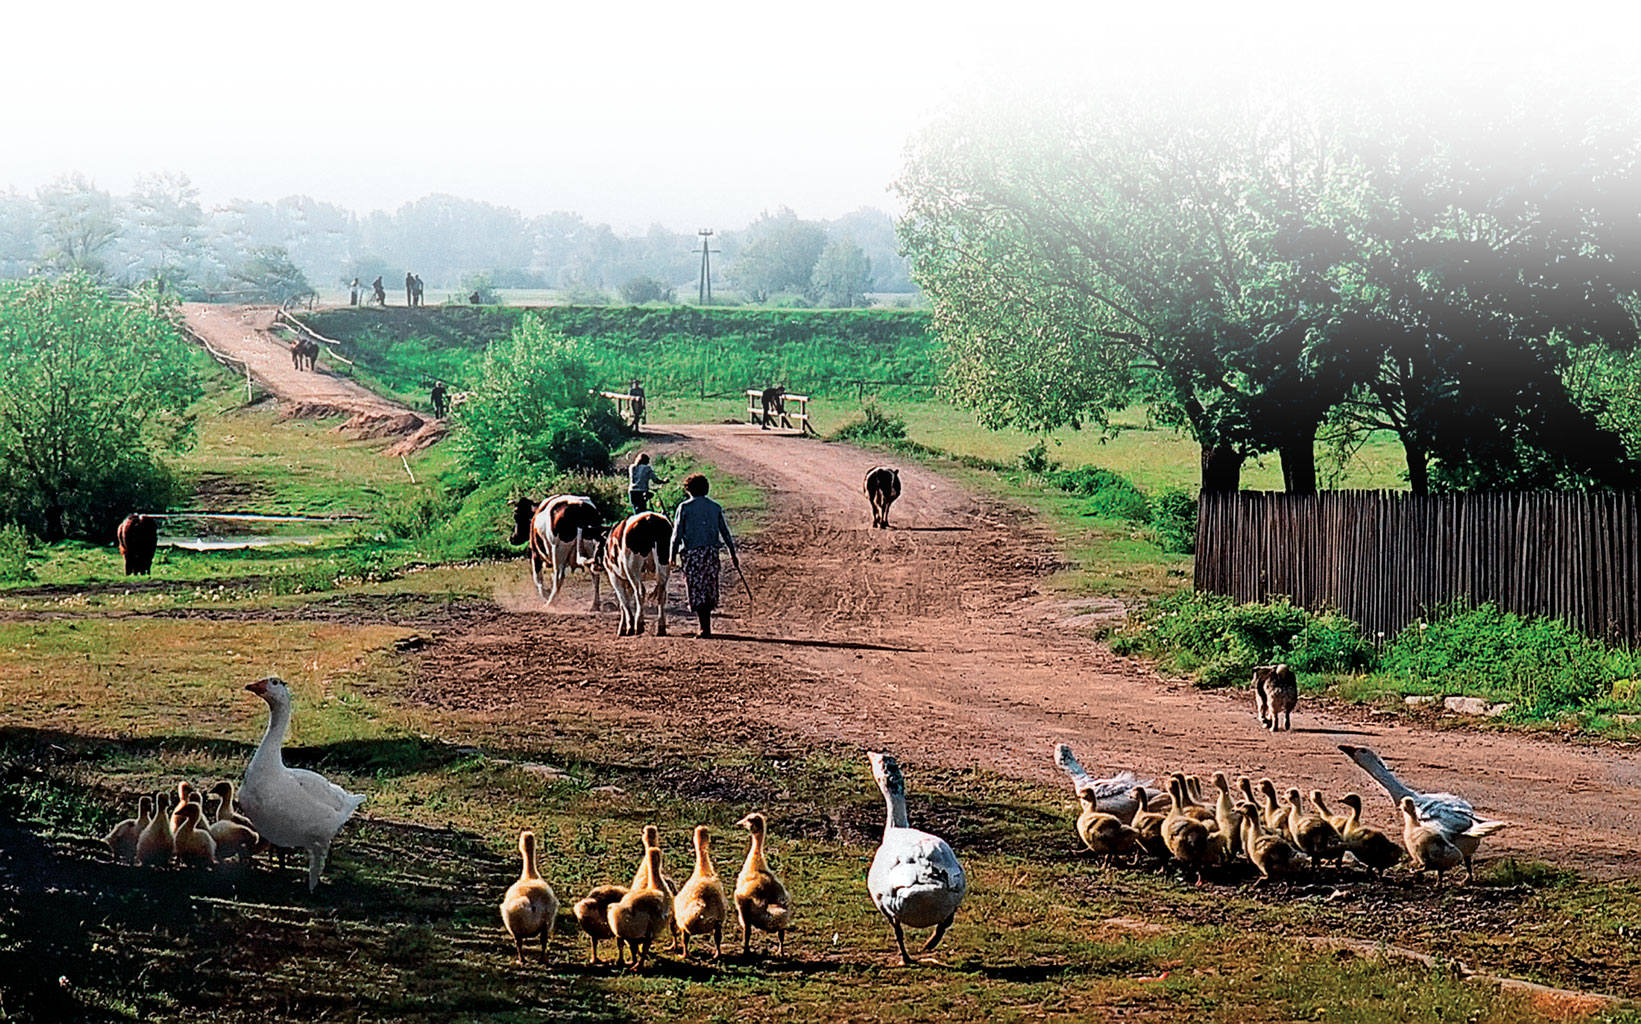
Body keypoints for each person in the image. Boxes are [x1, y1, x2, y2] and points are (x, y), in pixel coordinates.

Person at [670, 473, 736, 638]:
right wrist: (732, 553)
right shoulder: (715, 507)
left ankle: (704, 628)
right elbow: (725, 533)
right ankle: (706, 627)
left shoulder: (684, 508)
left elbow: (676, 535)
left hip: (692, 554)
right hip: (711, 553)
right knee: (709, 588)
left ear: (689, 490)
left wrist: (672, 555)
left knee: (696, 589)